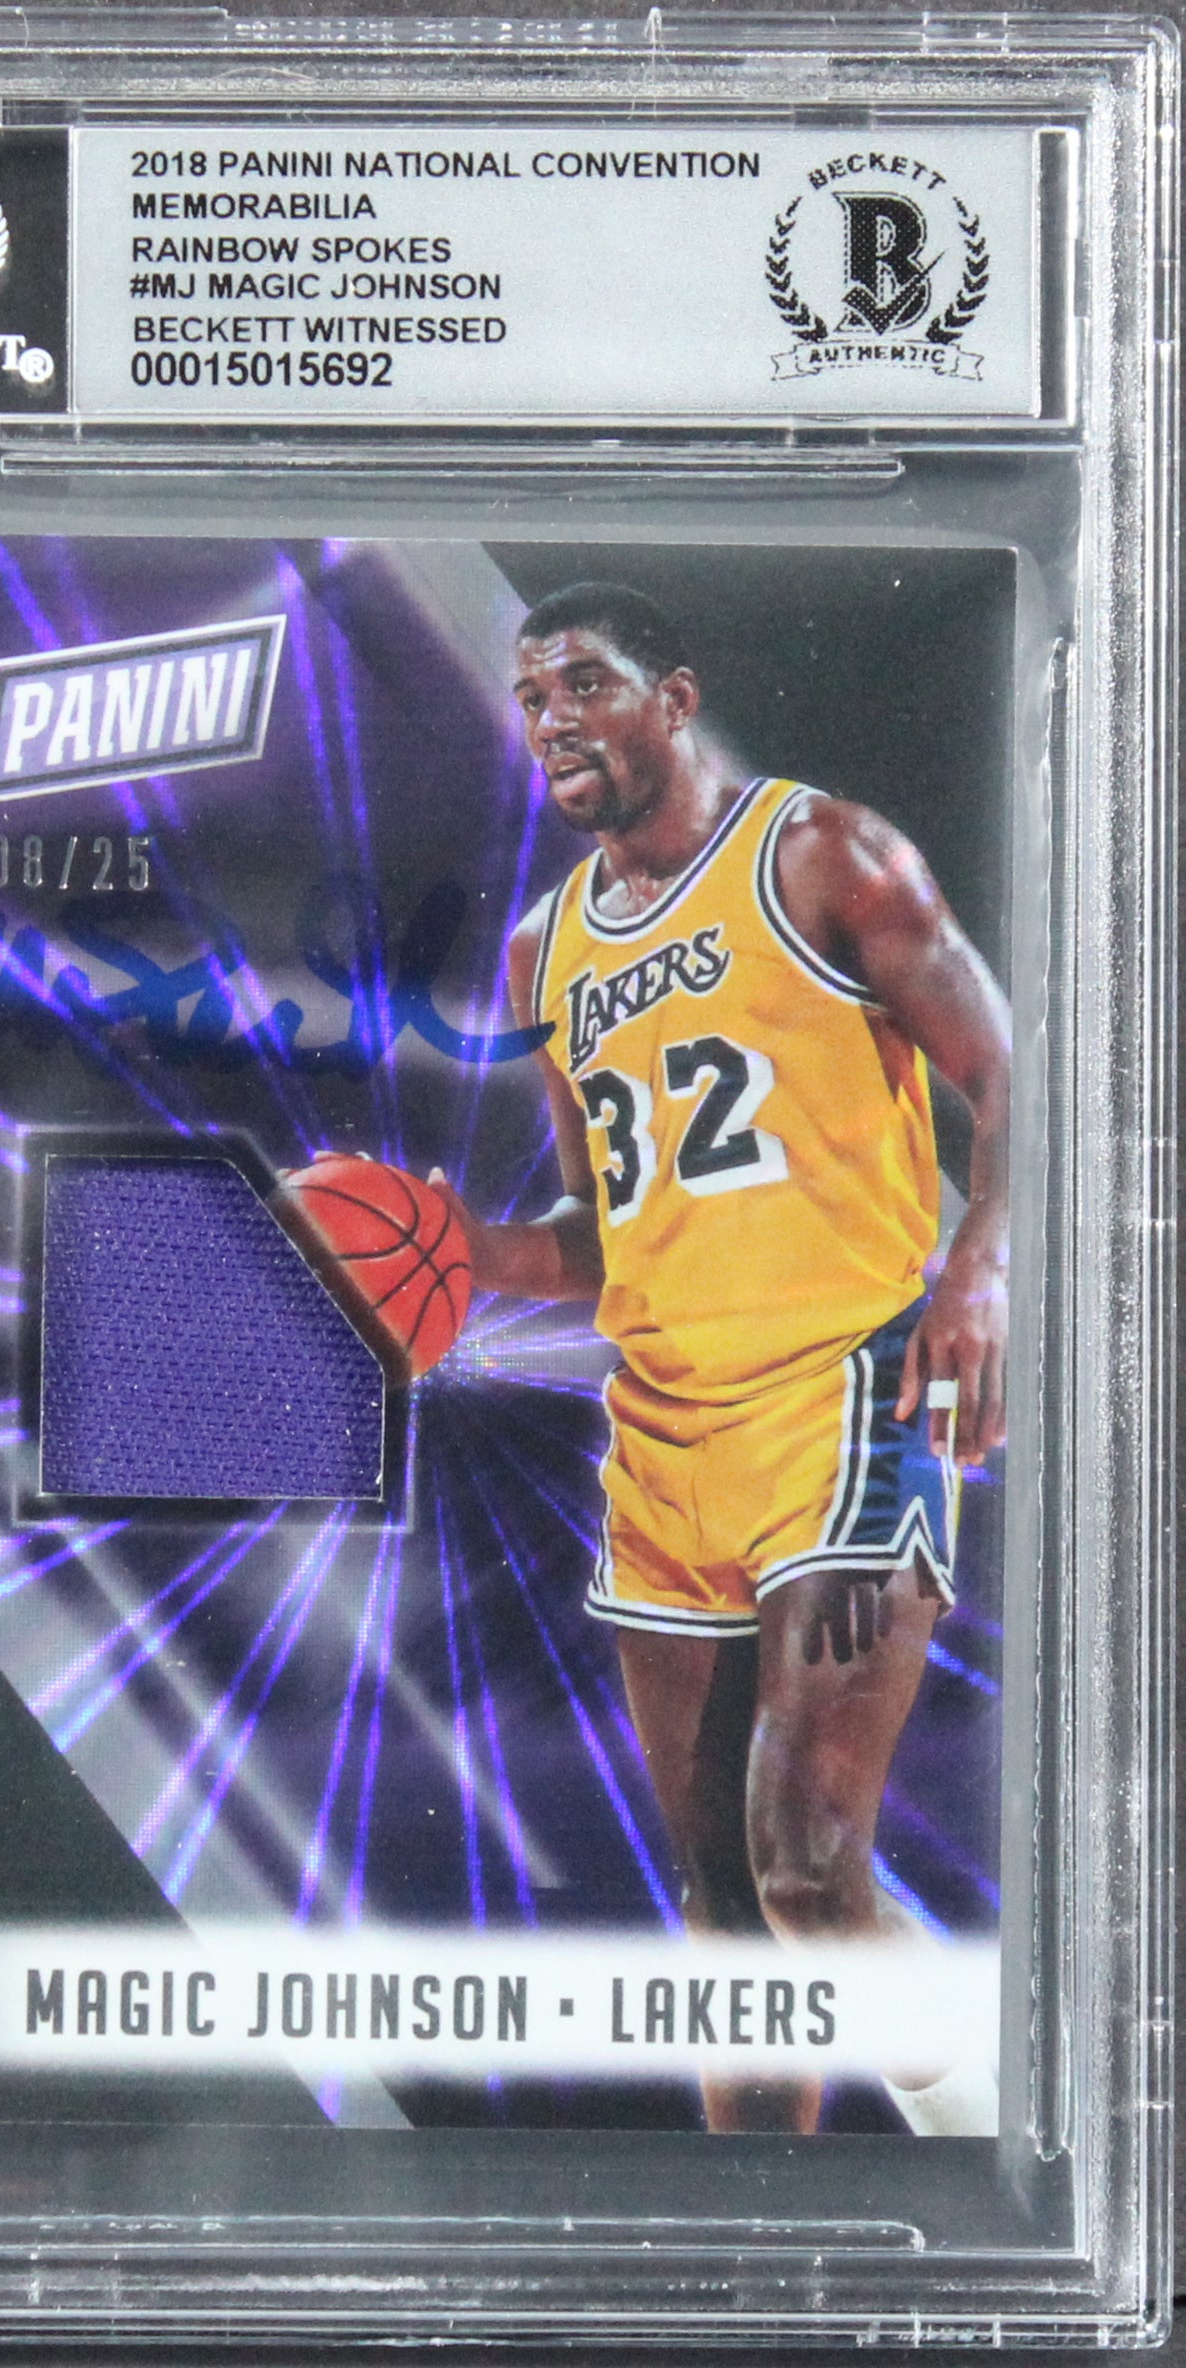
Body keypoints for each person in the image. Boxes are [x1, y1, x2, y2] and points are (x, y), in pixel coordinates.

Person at [433, 582, 1010, 2136]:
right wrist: (468, 1251)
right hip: (665, 1445)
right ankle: (750, 2228)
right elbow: (603, 1230)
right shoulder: (547, 950)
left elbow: (1015, 1067)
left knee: (807, 1873)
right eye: (531, 697)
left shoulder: (822, 852)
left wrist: (985, 1262)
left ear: (675, 698)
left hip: (844, 1394)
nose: (551, 719)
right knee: (725, 1918)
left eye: (584, 683)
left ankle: (989, 2110)